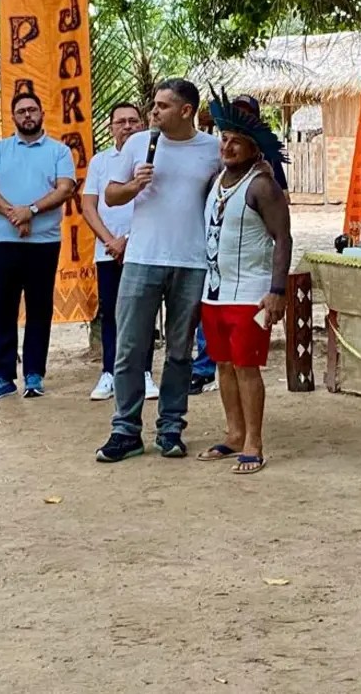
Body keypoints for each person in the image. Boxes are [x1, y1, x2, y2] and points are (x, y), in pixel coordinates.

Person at [96, 78, 223, 463]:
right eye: (154, 104)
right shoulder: (138, 144)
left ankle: (171, 428)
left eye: (163, 106)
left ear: (187, 111)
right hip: (142, 257)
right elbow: (110, 194)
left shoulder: (212, 150)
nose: (153, 112)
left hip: (191, 260)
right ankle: (125, 430)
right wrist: (135, 185)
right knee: (130, 348)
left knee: (180, 351)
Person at [194, 93, 293, 474]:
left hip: (250, 293)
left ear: (254, 145)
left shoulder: (262, 186)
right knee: (222, 364)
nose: (227, 145)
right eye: (224, 137)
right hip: (215, 292)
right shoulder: (215, 180)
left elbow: (282, 239)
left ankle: (254, 440)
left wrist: (277, 291)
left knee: (246, 367)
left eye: (237, 139)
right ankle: (234, 433)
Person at [0, 92, 77, 400]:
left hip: (43, 244)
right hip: (4, 241)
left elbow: (65, 189)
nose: (27, 115)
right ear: (13, 116)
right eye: (21, 111)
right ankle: (3, 375)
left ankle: (34, 373)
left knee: (39, 308)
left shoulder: (59, 152)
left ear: (42, 113)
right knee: (3, 309)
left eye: (32, 109)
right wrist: (13, 213)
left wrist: (30, 211)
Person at [82, 102, 158, 401]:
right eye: (120, 122)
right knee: (111, 312)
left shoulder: (152, 160)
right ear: (110, 127)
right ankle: (110, 372)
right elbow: (89, 205)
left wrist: (128, 239)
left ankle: (144, 372)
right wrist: (111, 241)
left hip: (143, 249)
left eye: (133, 121)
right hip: (107, 251)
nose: (127, 126)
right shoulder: (100, 162)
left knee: (144, 312)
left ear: (142, 125)